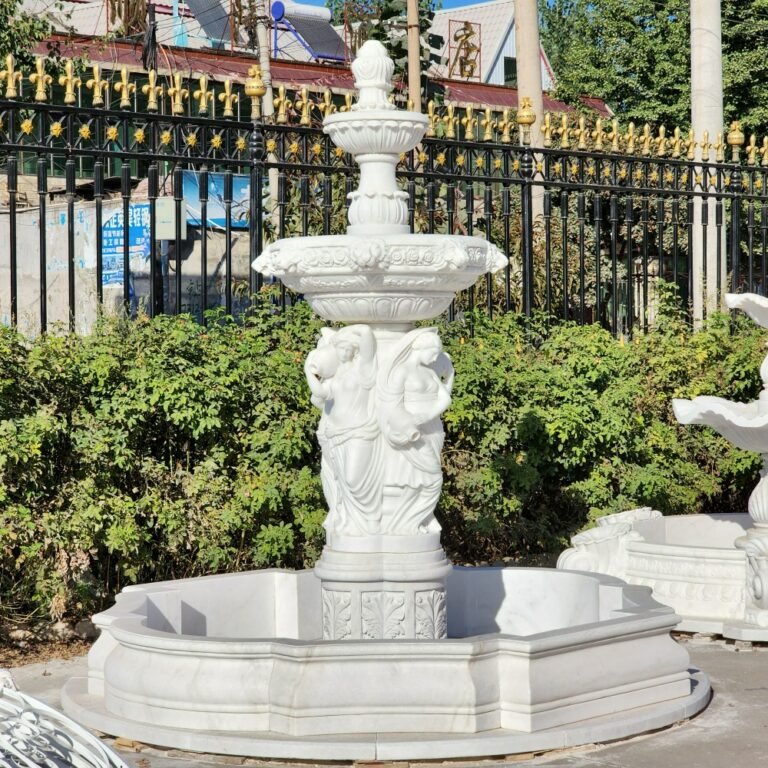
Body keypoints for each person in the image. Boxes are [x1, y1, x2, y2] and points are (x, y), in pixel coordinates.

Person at [304, 325, 381, 536]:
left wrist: (344, 332)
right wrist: (308, 371)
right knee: (340, 480)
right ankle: (348, 522)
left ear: (356, 351)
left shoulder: (364, 370)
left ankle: (371, 523)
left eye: (349, 348)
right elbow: (319, 392)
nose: (345, 352)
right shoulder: (335, 376)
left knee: (353, 479)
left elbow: (366, 332)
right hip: (335, 435)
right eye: (341, 348)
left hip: (359, 432)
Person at [378, 328, 453, 535]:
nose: (436, 357)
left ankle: (416, 521)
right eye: (434, 352)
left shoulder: (429, 371)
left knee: (428, 478)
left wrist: (451, 376)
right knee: (414, 478)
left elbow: (445, 398)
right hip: (410, 430)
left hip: (431, 429)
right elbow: (391, 406)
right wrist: (410, 422)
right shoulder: (401, 371)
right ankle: (408, 523)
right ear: (421, 348)